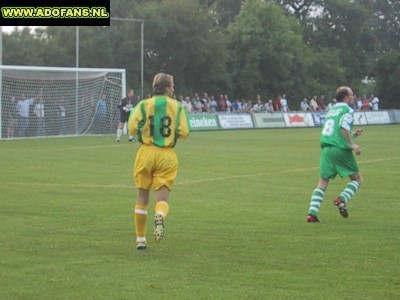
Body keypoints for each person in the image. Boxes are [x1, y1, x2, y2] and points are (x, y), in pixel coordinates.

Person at [128, 73, 191, 250]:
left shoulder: (143, 105)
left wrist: (144, 132)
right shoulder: (177, 107)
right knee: (161, 199)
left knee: (142, 197)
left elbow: (132, 128)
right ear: (165, 88)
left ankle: (140, 239)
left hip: (146, 152)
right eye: (172, 86)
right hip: (167, 155)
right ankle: (160, 216)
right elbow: (185, 131)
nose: (173, 89)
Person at [307, 86, 364, 222]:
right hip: (340, 150)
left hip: (327, 149)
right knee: (357, 179)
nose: (353, 96)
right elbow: (343, 127)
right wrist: (352, 144)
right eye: (351, 94)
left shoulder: (330, 110)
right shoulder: (347, 110)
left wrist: (352, 135)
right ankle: (341, 199)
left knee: (322, 182)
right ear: (345, 97)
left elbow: (335, 133)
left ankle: (312, 214)